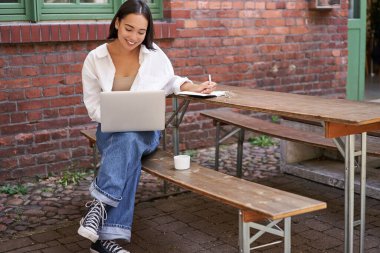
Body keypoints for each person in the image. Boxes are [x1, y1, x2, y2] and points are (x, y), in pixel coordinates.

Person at [79, 1, 216, 252]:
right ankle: (103, 240)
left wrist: (193, 87)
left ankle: (98, 207)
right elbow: (92, 107)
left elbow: (172, 81)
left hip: (147, 133)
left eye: (141, 32)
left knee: (130, 139)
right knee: (126, 143)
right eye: (129, 29)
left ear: (147, 32)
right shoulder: (95, 59)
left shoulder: (154, 56)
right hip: (109, 131)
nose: (133, 37)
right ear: (117, 22)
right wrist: (117, 116)